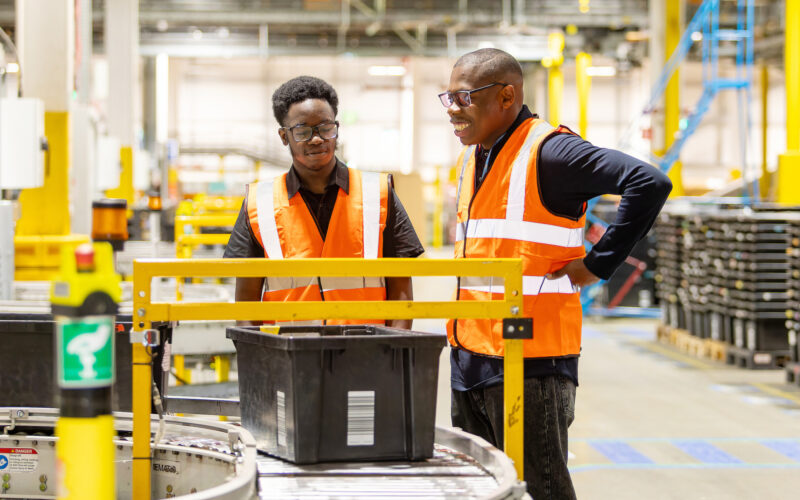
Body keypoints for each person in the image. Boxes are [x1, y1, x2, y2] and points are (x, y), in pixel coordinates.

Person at [440, 48, 672, 499]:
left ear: (506, 95)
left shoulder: (551, 151)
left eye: (463, 98)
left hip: (531, 360)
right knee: (482, 486)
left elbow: (649, 182)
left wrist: (597, 263)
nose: (453, 111)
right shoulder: (473, 158)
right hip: (469, 351)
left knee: (540, 488)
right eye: (447, 99)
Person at [224, 76, 424, 327]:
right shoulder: (259, 204)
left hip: (368, 353)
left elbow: (401, 291)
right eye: (302, 131)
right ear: (284, 137)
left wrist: (396, 351)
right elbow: (246, 302)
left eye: (325, 128)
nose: (317, 139)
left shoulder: (379, 193)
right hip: (289, 354)